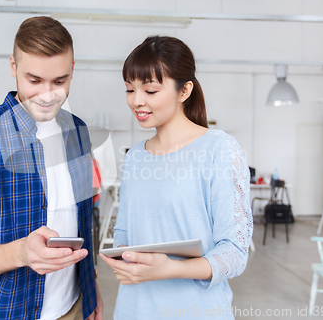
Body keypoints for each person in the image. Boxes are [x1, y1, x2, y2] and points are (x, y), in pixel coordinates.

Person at [0, 16, 103, 320]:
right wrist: (21, 253)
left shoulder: (77, 131)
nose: (47, 95)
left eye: (60, 81)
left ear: (72, 72)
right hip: (9, 312)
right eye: (34, 80)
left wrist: (91, 290)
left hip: (75, 306)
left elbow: (81, 221)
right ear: (14, 67)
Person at [99, 36, 253, 319]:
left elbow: (234, 253)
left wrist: (172, 269)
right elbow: (123, 232)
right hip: (134, 309)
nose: (136, 101)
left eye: (151, 90)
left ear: (185, 91)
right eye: (130, 89)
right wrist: (123, 256)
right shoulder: (135, 156)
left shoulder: (219, 148)